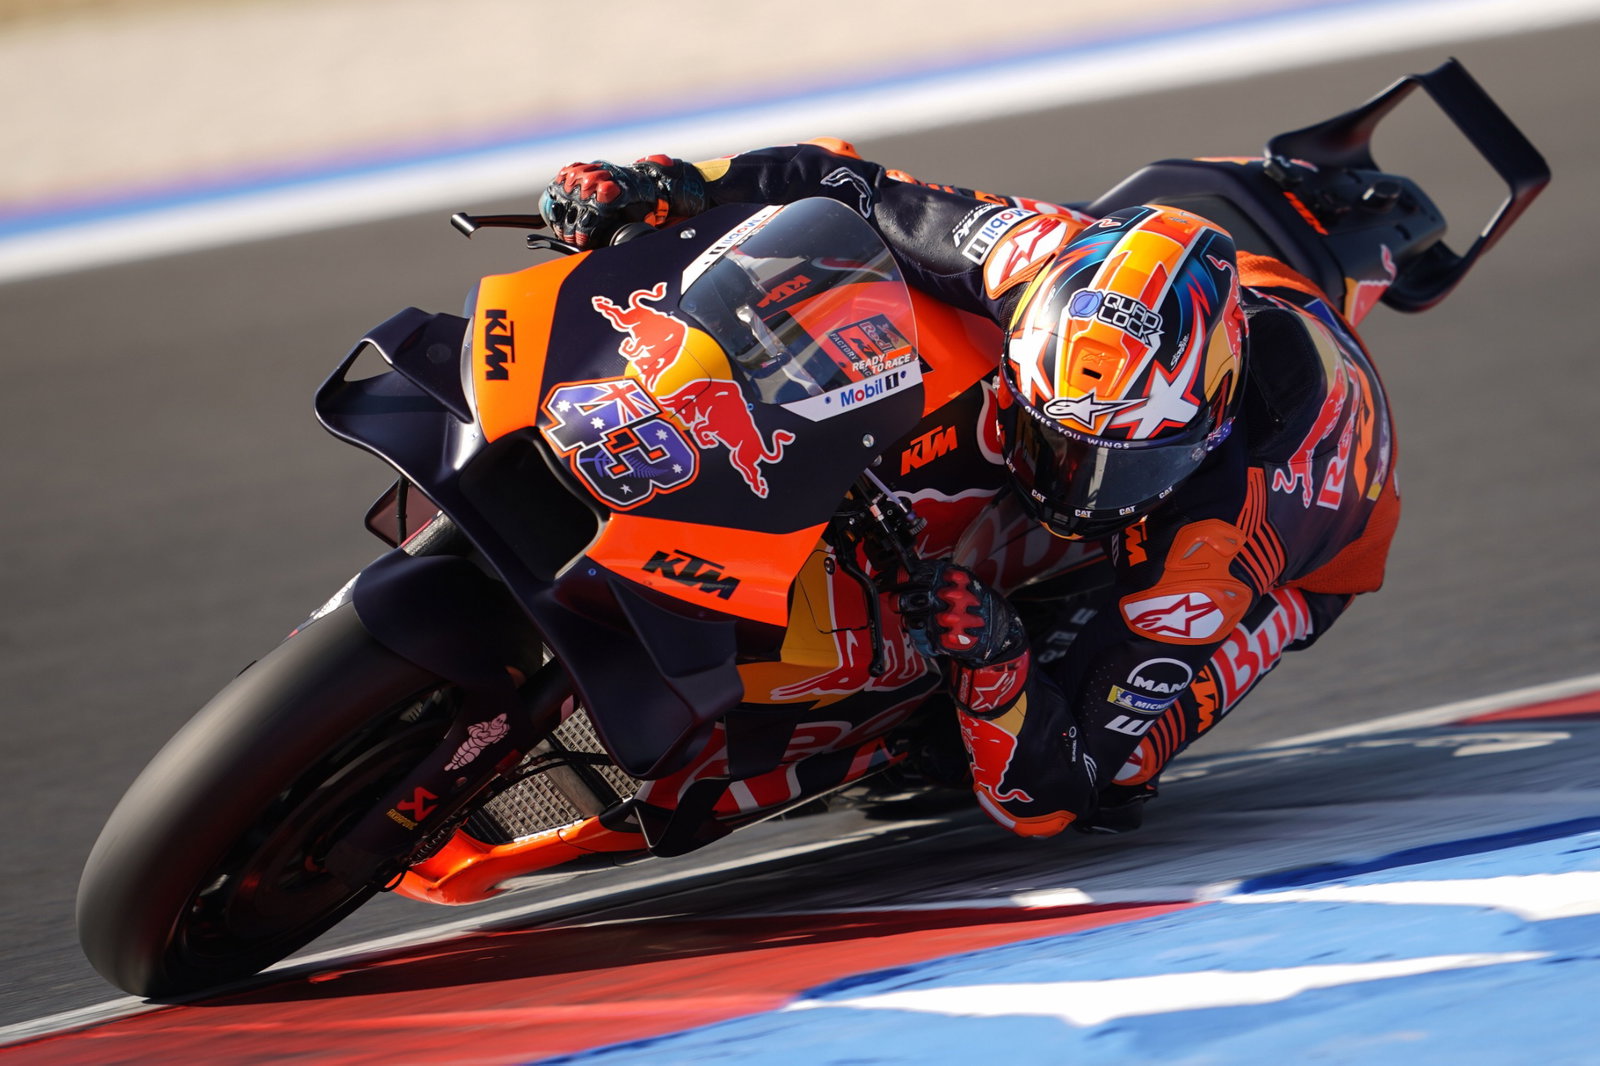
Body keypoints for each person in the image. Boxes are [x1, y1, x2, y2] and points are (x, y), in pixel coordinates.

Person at [538, 139, 1400, 837]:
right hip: (1159, 311)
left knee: (1101, 760)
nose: (1082, 491)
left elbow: (1061, 788)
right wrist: (669, 183)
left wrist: (998, 667)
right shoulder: (1032, 262)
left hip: (1303, 554)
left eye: (1121, 467)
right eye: (1060, 445)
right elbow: (841, 184)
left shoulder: (1217, 544)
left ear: (1202, 430)